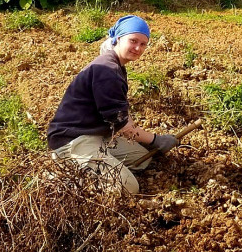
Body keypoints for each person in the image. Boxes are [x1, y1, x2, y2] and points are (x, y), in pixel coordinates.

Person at [47, 15, 178, 194]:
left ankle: (97, 164)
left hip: (98, 135)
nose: (138, 48)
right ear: (118, 38)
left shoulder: (115, 66)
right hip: (73, 140)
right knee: (128, 187)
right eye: (133, 41)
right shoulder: (106, 71)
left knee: (142, 159)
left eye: (143, 44)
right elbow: (122, 126)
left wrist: (136, 130)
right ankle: (65, 178)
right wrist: (156, 140)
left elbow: (119, 112)